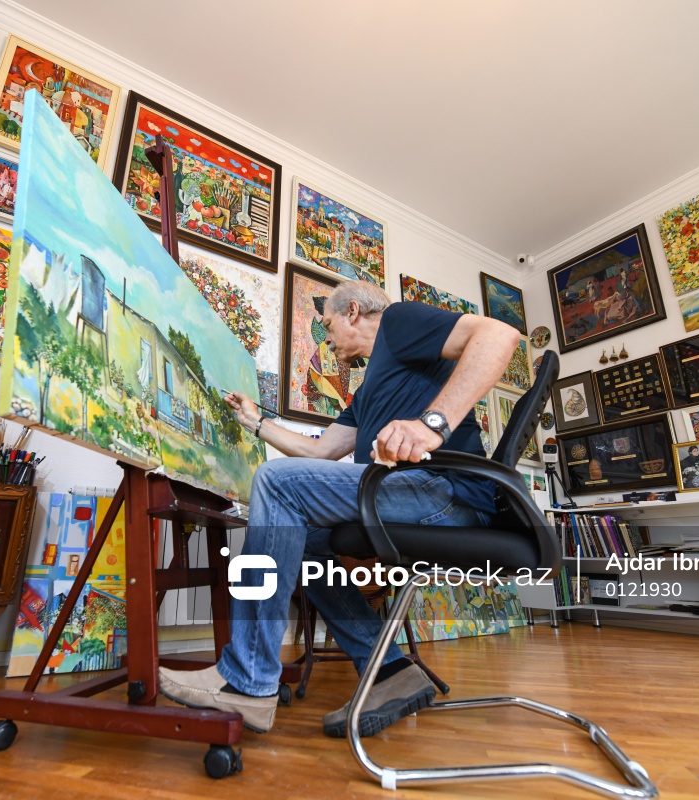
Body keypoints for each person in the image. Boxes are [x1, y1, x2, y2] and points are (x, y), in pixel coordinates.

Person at [157, 280, 520, 736]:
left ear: (352, 312)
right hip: (415, 494)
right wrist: (256, 422)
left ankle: (247, 678)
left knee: (275, 481)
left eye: (327, 325)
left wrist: (432, 424)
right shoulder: (368, 393)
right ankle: (388, 668)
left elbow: (499, 335)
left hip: (445, 492)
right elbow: (319, 451)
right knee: (306, 541)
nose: (325, 340)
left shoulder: (399, 321)